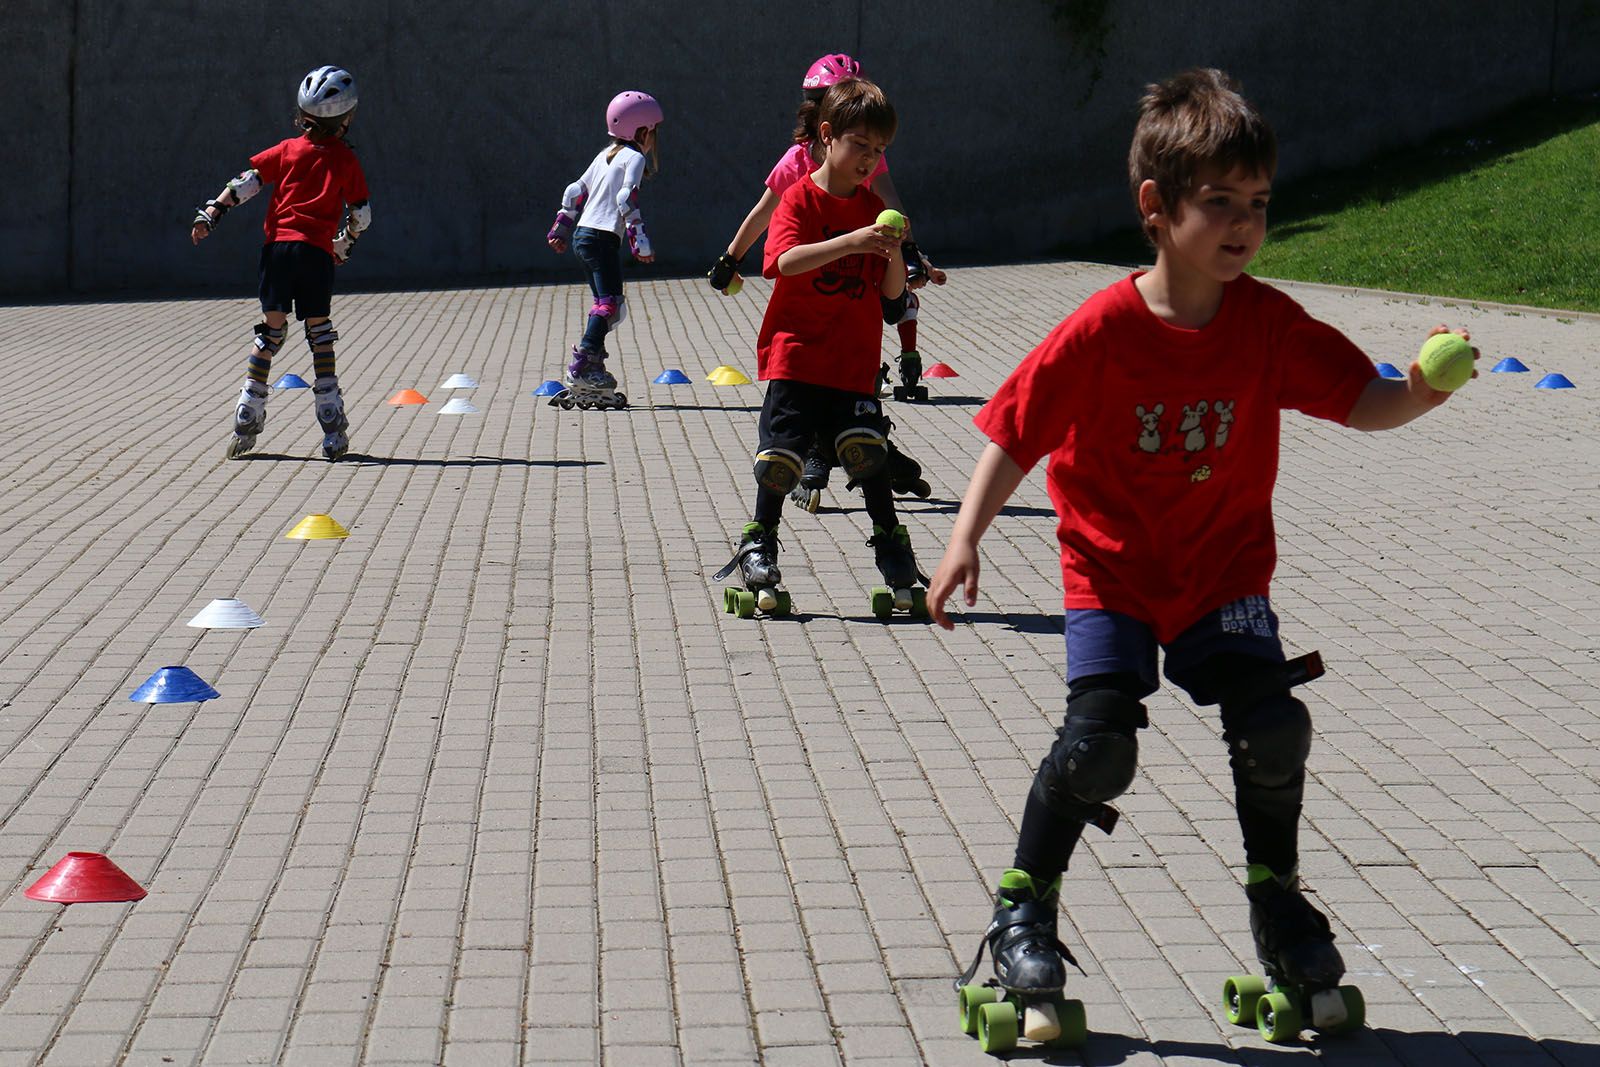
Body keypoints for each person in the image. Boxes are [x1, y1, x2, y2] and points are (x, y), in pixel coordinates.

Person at [930, 68, 1476, 1048]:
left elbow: (1362, 398)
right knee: (1100, 742)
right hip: (1113, 570)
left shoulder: (1265, 323)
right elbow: (1014, 431)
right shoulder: (1099, 330)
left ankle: (1278, 906)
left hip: (1223, 572)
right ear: (1156, 205)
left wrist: (1423, 395)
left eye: (1257, 203)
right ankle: (1024, 908)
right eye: (1218, 202)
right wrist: (965, 533)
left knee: (1272, 724)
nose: (1242, 224)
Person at [714, 78, 926, 620]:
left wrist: (895, 253)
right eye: (860, 146)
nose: (869, 160)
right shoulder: (799, 199)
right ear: (827, 136)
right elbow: (781, 263)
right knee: (781, 460)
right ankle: (759, 544)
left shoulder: (875, 206)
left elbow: (892, 295)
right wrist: (852, 242)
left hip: (853, 361)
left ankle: (892, 549)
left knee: (868, 455)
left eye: (879, 152)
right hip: (798, 354)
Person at [192, 65, 371, 461]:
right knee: (319, 331)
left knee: (272, 333)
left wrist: (211, 214)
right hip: (314, 253)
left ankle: (248, 410)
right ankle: (330, 418)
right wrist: (346, 243)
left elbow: (246, 183)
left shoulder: (287, 150)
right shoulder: (345, 160)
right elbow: (361, 214)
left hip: (276, 252)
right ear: (347, 119)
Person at [546, 91, 662, 411]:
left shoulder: (605, 154)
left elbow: (574, 192)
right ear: (641, 132)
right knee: (610, 306)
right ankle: (583, 365)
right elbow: (626, 199)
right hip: (601, 238)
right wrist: (640, 241)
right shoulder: (634, 158)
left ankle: (593, 364)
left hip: (584, 235)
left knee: (608, 305)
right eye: (653, 131)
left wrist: (561, 229)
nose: (654, 139)